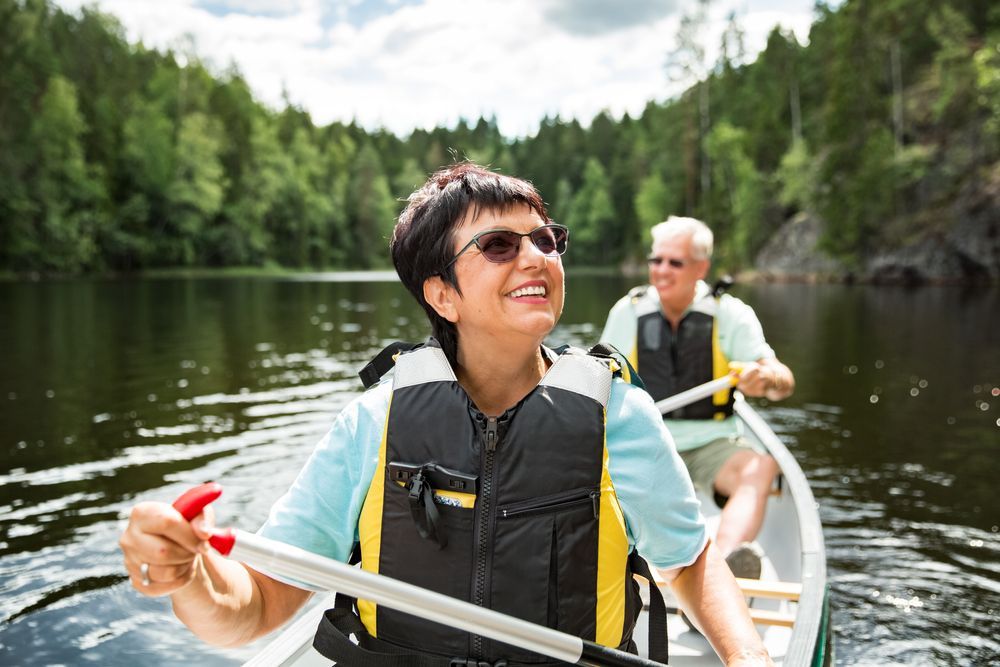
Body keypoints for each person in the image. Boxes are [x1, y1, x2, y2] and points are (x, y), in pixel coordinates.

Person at [119, 165, 773, 666]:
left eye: (547, 239)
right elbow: (253, 607)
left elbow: (687, 563)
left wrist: (747, 656)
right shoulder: (373, 425)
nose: (538, 255)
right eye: (498, 244)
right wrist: (191, 575)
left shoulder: (619, 416)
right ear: (442, 294)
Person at [601, 215, 795, 580]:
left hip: (711, 444)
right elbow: (600, 380)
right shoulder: (628, 312)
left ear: (701, 267)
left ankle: (721, 570)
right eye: (656, 260)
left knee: (761, 468)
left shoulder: (731, 314)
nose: (661, 271)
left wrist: (765, 377)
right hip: (643, 440)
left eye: (675, 262)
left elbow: (783, 379)